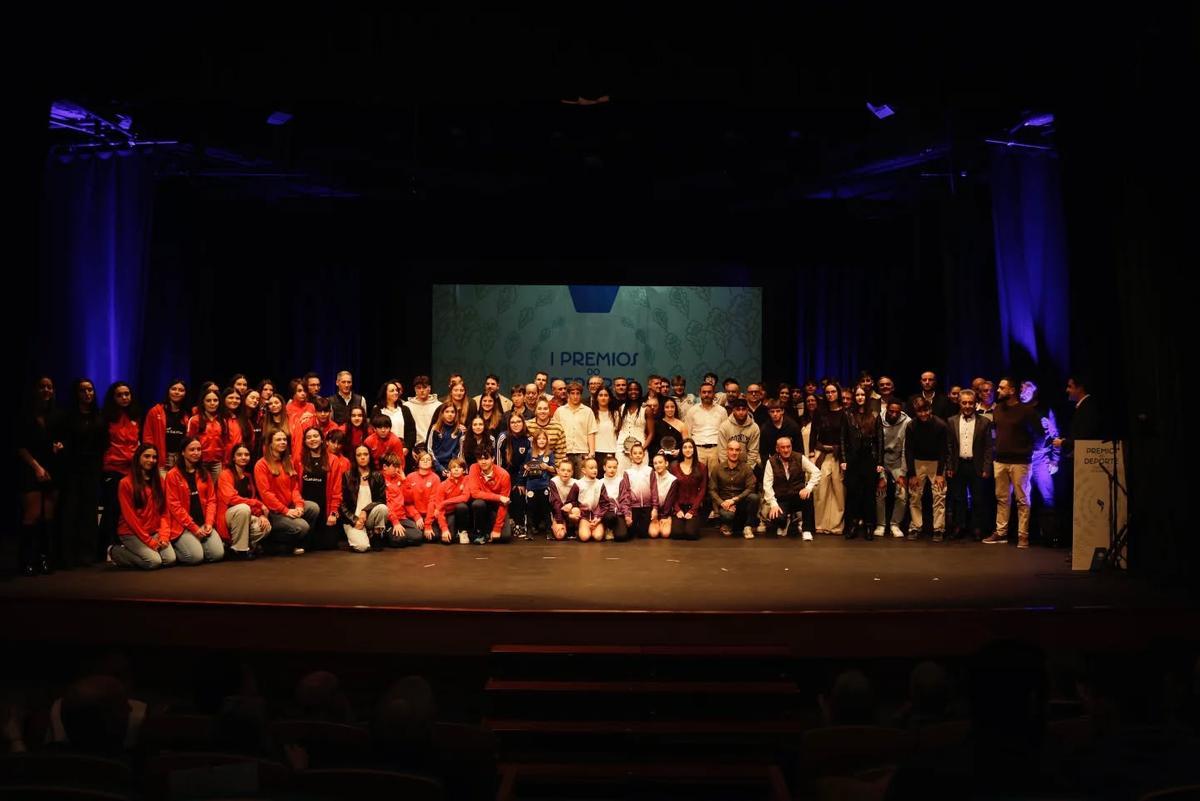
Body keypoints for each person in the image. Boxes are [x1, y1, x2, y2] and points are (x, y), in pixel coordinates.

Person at [983, 377, 1042, 549]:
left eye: (1002, 388)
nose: (998, 391)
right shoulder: (998, 409)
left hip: (1020, 462)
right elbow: (994, 433)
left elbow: (1039, 435)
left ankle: (1023, 535)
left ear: (1012, 390)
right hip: (1000, 460)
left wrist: (1028, 451)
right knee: (1002, 498)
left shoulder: (1026, 411)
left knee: (1022, 499)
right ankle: (1001, 532)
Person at [16, 377, 63, 576]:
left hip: (52, 467)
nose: (46, 390)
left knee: (48, 516)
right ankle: (27, 560)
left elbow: (61, 439)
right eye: (42, 386)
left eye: (50, 387)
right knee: (32, 514)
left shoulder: (56, 414)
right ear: (35, 389)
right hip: (31, 467)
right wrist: (36, 467)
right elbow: (19, 446)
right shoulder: (25, 415)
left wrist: (59, 446)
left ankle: (45, 559)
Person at [60, 378, 106, 567]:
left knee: (89, 512)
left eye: (90, 390)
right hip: (72, 469)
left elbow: (104, 443)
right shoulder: (68, 417)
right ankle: (67, 556)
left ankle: (88, 555)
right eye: (83, 390)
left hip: (92, 469)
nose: (88, 394)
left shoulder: (99, 416)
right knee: (70, 511)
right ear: (76, 394)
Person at [254, 430, 320, 555]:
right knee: (302, 526)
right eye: (278, 440)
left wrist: (299, 505)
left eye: (284, 439)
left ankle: (300, 543)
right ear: (270, 444)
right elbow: (266, 494)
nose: (283, 442)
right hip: (274, 513)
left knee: (313, 508)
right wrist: (286, 511)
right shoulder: (261, 465)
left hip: (289, 506)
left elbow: (294, 488)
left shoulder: (287, 461)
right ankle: (272, 544)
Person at [110, 443, 175, 569]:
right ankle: (115, 552)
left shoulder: (159, 481)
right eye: (147, 456)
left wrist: (164, 536)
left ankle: (143, 551)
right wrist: (150, 542)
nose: (151, 460)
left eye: (154, 457)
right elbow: (130, 518)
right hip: (131, 532)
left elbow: (165, 512)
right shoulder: (125, 483)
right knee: (153, 562)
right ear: (138, 458)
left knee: (170, 559)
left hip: (154, 531)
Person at [946, 389, 995, 541]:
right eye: (964, 402)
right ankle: (960, 526)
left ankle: (977, 527)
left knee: (978, 498)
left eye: (970, 403)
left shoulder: (985, 421)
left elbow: (988, 447)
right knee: (958, 498)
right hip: (958, 464)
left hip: (977, 465)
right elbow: (949, 446)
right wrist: (949, 466)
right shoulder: (951, 421)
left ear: (975, 404)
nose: (967, 406)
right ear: (959, 403)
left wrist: (987, 468)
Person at [99, 382, 141, 556]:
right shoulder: (106, 418)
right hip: (113, 469)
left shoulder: (135, 417)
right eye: (120, 395)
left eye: (127, 394)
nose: (124, 397)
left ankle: (122, 545)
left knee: (128, 509)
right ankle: (105, 546)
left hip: (131, 470)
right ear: (113, 397)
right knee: (112, 508)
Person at [905, 397, 951, 542]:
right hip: (918, 462)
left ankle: (938, 528)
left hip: (936, 462)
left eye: (925, 410)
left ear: (930, 409)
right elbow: (909, 450)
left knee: (939, 495)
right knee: (915, 495)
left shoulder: (940, 425)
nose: (923, 414)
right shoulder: (911, 425)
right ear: (915, 411)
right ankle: (916, 526)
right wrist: (912, 473)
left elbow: (944, 450)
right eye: (920, 411)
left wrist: (939, 473)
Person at [216, 443, 271, 559]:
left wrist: (261, 515)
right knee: (243, 508)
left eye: (246, 454)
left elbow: (253, 497)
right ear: (233, 458)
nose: (243, 457)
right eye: (239, 455)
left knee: (265, 526)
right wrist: (258, 504)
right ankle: (240, 550)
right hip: (228, 515)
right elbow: (231, 499)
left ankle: (235, 547)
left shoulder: (248, 476)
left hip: (245, 515)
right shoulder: (225, 474)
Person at [843, 386, 884, 540]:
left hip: (869, 459)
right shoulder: (848, 415)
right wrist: (844, 459)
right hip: (853, 459)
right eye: (857, 395)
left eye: (862, 395)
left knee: (868, 494)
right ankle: (852, 525)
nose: (860, 397)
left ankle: (869, 526)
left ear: (866, 397)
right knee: (853, 494)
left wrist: (879, 461)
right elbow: (843, 438)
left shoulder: (874, 414)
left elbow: (880, 439)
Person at [762, 436, 821, 540]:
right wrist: (773, 504)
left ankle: (806, 530)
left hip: (797, 496)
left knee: (808, 496)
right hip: (781, 498)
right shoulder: (771, 462)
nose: (786, 450)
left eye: (788, 447)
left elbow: (816, 472)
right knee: (776, 518)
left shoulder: (799, 458)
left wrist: (808, 487)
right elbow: (767, 485)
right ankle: (785, 521)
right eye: (783, 447)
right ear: (777, 449)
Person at [811, 382, 848, 535]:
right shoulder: (820, 412)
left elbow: (847, 436)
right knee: (821, 490)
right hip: (823, 453)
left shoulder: (845, 412)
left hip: (839, 455)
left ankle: (836, 525)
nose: (830, 394)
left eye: (833, 391)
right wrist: (812, 454)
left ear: (838, 393)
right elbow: (813, 434)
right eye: (827, 392)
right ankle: (820, 524)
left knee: (839, 491)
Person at [339, 444, 389, 552]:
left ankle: (376, 535)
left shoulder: (377, 476)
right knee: (362, 547)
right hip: (353, 519)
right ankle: (365, 536)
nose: (362, 457)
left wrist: (365, 511)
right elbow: (342, 503)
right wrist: (354, 520)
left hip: (370, 517)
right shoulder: (347, 476)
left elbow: (381, 501)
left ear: (369, 456)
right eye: (359, 455)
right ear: (355, 458)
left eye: (365, 454)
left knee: (382, 508)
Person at [875, 401, 911, 539]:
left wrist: (902, 473)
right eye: (891, 411)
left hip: (898, 460)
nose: (894, 414)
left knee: (901, 492)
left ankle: (895, 524)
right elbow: (876, 445)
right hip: (882, 460)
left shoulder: (907, 421)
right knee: (880, 491)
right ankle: (881, 524)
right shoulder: (879, 418)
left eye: (897, 412)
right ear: (887, 409)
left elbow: (905, 449)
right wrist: (880, 475)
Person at [710, 441, 759, 538]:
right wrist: (721, 503)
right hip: (725, 504)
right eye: (731, 449)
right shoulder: (717, 468)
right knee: (728, 516)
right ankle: (728, 524)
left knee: (754, 498)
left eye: (737, 450)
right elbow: (712, 490)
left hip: (740, 503)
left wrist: (734, 500)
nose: (734, 452)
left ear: (740, 452)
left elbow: (751, 487)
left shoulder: (746, 468)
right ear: (727, 451)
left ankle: (747, 526)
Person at [143, 379, 190, 475]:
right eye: (174, 389)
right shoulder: (155, 411)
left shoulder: (188, 414)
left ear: (185, 393)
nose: (177, 392)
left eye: (181, 390)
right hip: (161, 461)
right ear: (168, 391)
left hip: (181, 460)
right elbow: (147, 437)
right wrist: (152, 458)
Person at [466, 449, 512, 544]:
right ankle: (480, 532)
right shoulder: (474, 468)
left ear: (493, 459)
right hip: (482, 504)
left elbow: (504, 503)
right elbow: (474, 493)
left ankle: (493, 526)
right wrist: (498, 497)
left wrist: (497, 528)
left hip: (497, 506)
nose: (483, 462)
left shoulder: (504, 475)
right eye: (480, 459)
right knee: (478, 503)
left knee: (504, 537)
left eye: (486, 458)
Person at [553, 381, 598, 477]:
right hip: (564, 453)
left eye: (578, 393)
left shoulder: (587, 411)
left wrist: (592, 452)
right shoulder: (560, 411)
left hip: (582, 453)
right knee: (566, 483)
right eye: (572, 393)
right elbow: (555, 433)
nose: (575, 396)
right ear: (568, 394)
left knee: (582, 484)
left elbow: (591, 432)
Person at [668, 439, 708, 540]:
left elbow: (703, 490)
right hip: (679, 506)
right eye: (685, 447)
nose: (688, 450)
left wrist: (693, 510)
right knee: (677, 534)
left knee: (691, 534)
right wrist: (677, 509)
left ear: (694, 449)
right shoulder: (674, 467)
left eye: (690, 447)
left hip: (694, 507)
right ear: (681, 450)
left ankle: (693, 523)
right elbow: (672, 491)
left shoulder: (702, 467)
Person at [382, 453, 423, 547]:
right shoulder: (381, 480)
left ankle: (398, 537)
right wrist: (395, 522)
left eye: (398, 467)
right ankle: (387, 533)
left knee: (418, 536)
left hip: (402, 518)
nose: (397, 470)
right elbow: (386, 504)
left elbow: (408, 501)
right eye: (394, 467)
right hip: (389, 520)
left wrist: (404, 480)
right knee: (399, 540)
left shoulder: (400, 479)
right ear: (385, 467)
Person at [430, 457, 471, 544]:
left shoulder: (467, 479)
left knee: (462, 506)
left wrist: (445, 502)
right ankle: (453, 531)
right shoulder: (443, 485)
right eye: (453, 467)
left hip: (462, 513)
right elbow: (439, 509)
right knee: (448, 540)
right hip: (447, 513)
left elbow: (465, 497)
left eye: (459, 467)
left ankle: (463, 532)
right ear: (450, 470)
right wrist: (444, 529)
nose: (456, 469)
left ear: (464, 470)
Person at [403, 450, 441, 544]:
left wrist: (428, 524)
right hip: (413, 516)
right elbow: (407, 502)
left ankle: (421, 532)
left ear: (432, 463)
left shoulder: (435, 478)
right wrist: (416, 516)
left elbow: (433, 502)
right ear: (418, 462)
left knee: (434, 536)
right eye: (422, 459)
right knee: (417, 537)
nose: (425, 461)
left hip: (428, 516)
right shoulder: (410, 477)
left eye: (428, 459)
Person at [619, 442, 654, 538]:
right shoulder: (627, 473)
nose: (637, 455)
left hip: (647, 507)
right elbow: (625, 494)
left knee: (644, 534)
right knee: (630, 534)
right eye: (635, 453)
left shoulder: (649, 470)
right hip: (634, 508)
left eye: (640, 453)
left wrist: (654, 508)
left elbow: (654, 490)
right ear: (630, 455)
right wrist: (627, 513)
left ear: (644, 455)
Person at [427, 403, 464, 478]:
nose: (450, 414)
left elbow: (459, 452)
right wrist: (439, 468)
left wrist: (452, 468)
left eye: (452, 412)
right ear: (442, 413)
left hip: (452, 468)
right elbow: (430, 449)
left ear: (456, 414)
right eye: (447, 412)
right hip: (436, 466)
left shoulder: (459, 430)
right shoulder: (435, 429)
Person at [597, 455, 629, 541]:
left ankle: (615, 529)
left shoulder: (620, 481)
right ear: (604, 467)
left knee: (621, 537)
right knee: (610, 517)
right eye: (609, 467)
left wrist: (626, 514)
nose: (612, 469)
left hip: (618, 512)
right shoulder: (600, 482)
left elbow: (624, 499)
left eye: (615, 467)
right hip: (606, 513)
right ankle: (608, 528)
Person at [647, 453, 679, 539]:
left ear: (666, 463)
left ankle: (668, 520)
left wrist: (664, 516)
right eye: (655, 463)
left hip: (667, 512)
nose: (658, 465)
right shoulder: (651, 476)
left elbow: (670, 500)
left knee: (665, 534)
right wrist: (655, 514)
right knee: (653, 534)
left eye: (660, 462)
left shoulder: (673, 479)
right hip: (655, 511)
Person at [574, 456, 605, 542]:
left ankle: (599, 528)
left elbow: (605, 503)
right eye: (591, 468)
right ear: (584, 470)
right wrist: (577, 512)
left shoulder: (600, 484)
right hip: (584, 517)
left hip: (597, 516)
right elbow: (572, 501)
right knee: (585, 537)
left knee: (598, 537)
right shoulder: (578, 484)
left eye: (596, 468)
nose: (594, 470)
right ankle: (582, 529)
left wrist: (599, 518)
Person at [404, 376, 441, 446]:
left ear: (429, 388)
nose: (422, 390)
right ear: (415, 389)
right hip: (414, 446)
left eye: (424, 387)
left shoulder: (439, 406)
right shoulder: (406, 406)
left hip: (435, 444)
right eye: (419, 388)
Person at [548, 458, 578, 541]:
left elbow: (578, 501)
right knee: (560, 535)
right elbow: (555, 502)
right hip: (558, 513)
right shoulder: (553, 481)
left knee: (576, 511)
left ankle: (571, 528)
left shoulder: (575, 483)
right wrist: (560, 521)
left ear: (572, 473)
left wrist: (571, 504)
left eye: (568, 471)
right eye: (563, 470)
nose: (565, 473)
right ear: (558, 471)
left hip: (568, 511)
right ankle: (561, 526)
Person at [590, 386, 620, 466]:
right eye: (600, 395)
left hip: (612, 451)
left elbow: (618, 433)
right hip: (596, 452)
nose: (603, 398)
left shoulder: (615, 414)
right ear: (596, 398)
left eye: (606, 395)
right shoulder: (591, 413)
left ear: (610, 398)